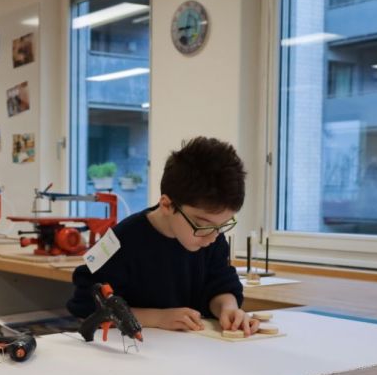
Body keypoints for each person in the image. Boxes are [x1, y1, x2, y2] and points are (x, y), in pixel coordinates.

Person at [66, 137, 258, 336]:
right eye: (201, 225)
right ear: (166, 205)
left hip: (190, 346)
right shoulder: (120, 240)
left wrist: (228, 308)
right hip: (133, 347)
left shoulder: (211, 237)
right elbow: (86, 304)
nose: (212, 237)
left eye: (222, 225)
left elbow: (220, 285)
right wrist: (157, 318)